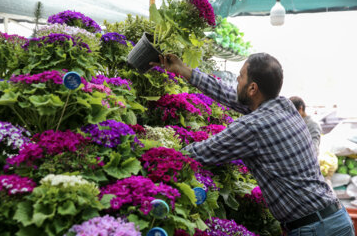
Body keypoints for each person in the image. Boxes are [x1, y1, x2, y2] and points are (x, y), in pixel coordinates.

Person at [150, 53, 354, 236]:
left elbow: (202, 152)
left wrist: (151, 154)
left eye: (240, 76)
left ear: (253, 88)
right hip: (334, 218)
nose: (236, 80)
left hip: (316, 229)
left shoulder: (253, 127)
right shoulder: (284, 105)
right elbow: (232, 95)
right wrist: (186, 71)